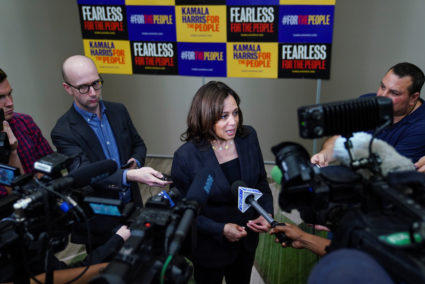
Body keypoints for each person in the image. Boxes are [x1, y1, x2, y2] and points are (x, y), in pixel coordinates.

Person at [51, 55, 171, 249]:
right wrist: (130, 175)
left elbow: (139, 144)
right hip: (100, 221)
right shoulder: (63, 131)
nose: (93, 92)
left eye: (96, 83)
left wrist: (135, 161)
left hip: (132, 208)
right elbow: (84, 175)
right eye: (83, 87)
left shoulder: (118, 111)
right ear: (68, 88)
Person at [171, 81, 273, 284]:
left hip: (247, 241)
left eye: (235, 113)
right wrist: (220, 229)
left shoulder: (249, 136)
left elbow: (261, 180)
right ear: (205, 117)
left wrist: (266, 212)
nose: (233, 122)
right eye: (223, 116)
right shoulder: (185, 156)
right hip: (210, 248)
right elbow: (183, 211)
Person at [311, 62, 425, 166]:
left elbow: (391, 171)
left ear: (413, 98)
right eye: (382, 87)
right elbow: (339, 138)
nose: (382, 96)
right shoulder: (366, 103)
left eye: (394, 93)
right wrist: (325, 154)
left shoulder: (421, 126)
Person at [0, 68, 53, 195]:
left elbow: (51, 164)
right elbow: (11, 195)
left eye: (10, 94)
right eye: (1, 97)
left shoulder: (24, 122)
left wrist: (34, 184)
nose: (10, 103)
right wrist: (12, 151)